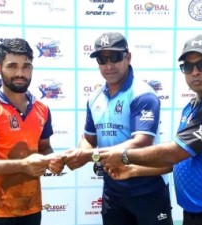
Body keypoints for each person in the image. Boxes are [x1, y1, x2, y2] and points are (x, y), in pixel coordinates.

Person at [100, 34, 202, 225]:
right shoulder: (193, 106)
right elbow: (179, 160)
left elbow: (174, 153)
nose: (195, 72)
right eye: (188, 66)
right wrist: (134, 171)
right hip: (195, 215)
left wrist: (124, 156)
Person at [63, 32, 173, 225]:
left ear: (128, 57)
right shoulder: (94, 97)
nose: (109, 65)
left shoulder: (142, 94)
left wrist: (91, 156)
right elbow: (89, 138)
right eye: (102, 59)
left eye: (115, 57)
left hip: (147, 190)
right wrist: (80, 154)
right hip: (113, 192)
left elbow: (141, 142)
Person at [0, 38, 64, 225]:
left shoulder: (42, 109)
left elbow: (44, 148)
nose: (20, 73)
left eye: (26, 66)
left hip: (32, 210)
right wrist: (22, 165)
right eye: (12, 66)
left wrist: (53, 160)